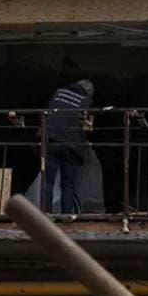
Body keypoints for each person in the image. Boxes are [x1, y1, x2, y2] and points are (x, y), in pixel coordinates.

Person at [40, 79, 94, 215]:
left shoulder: (59, 92)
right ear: (88, 92)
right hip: (72, 145)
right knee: (68, 184)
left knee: (48, 181)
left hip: (52, 140)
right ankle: (67, 216)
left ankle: (45, 214)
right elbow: (87, 127)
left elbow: (49, 112)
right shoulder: (86, 100)